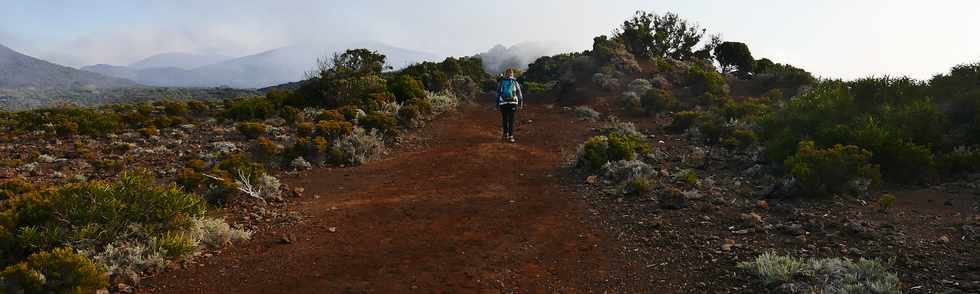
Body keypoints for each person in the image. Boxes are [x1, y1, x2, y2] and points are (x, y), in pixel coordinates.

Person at [496, 68, 524, 143]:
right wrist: (521, 103)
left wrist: (497, 104)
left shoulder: (501, 82)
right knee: (511, 120)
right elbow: (519, 93)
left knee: (504, 119)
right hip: (513, 103)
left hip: (503, 103)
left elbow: (498, 94)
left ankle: (505, 135)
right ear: (512, 74)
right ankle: (511, 136)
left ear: (505, 73)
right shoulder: (515, 82)